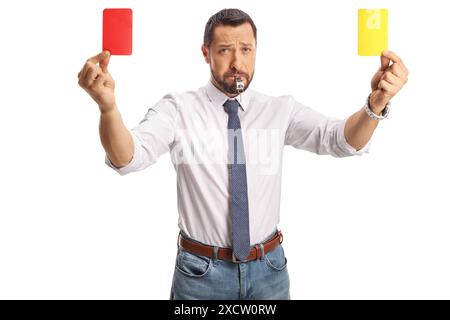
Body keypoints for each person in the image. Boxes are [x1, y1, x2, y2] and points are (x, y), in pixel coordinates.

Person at [77, 8, 408, 300]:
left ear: (256, 51)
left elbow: (341, 140)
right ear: (206, 53)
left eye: (246, 50)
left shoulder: (279, 110)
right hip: (200, 276)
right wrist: (108, 110)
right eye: (224, 50)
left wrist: (374, 106)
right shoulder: (178, 110)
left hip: (270, 270)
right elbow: (128, 156)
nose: (237, 62)